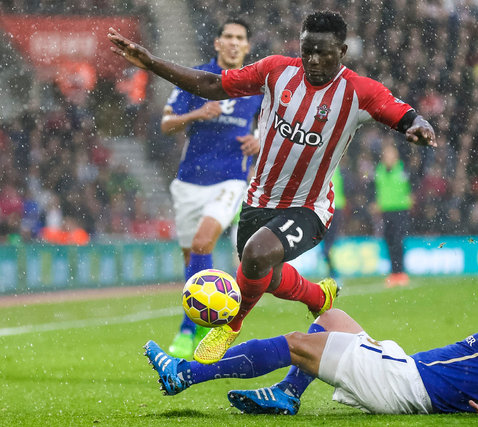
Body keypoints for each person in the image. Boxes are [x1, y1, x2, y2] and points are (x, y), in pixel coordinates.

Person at [108, 10, 436, 365]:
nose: (312, 59)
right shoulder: (276, 70)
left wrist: (417, 126)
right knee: (264, 272)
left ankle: (230, 325)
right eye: (307, 49)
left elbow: (401, 113)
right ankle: (315, 296)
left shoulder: (358, 91)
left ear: (341, 51)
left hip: (309, 207)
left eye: (323, 52)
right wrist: (150, 62)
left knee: (256, 254)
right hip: (259, 198)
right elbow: (211, 85)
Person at [143, 272, 478, 417]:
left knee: (294, 343)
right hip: (402, 369)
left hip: (403, 383)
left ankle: (186, 373)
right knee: (329, 317)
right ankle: (287, 394)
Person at [160, 18, 263, 359]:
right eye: (228, 37)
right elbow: (166, 123)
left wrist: (259, 139)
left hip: (232, 179)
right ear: (218, 43)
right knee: (192, 256)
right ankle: (200, 320)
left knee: (205, 241)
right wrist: (198, 114)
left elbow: (279, 124)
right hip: (189, 182)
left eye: (240, 39)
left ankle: (193, 327)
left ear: (247, 47)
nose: (234, 43)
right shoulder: (197, 79)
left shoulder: (256, 85)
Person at [374, 141, 412, 287]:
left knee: (398, 240)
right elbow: (375, 188)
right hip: (385, 211)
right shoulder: (379, 170)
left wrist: (411, 196)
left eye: (391, 154)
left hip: (400, 210)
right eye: (386, 155)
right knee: (389, 241)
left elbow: (413, 185)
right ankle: (393, 273)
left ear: (396, 156)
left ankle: (400, 272)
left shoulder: (403, 169)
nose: (388, 157)